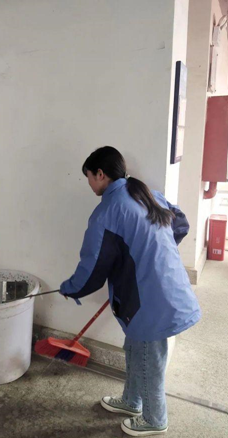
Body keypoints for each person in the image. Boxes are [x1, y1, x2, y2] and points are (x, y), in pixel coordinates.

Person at [60, 146, 201, 437]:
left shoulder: (108, 212)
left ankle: (155, 419)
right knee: (136, 350)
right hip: (151, 292)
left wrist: (71, 288)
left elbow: (93, 268)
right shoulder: (148, 195)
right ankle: (131, 401)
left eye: (89, 177)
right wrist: (155, 254)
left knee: (149, 360)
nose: (89, 184)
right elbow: (181, 224)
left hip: (152, 298)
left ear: (100, 174)